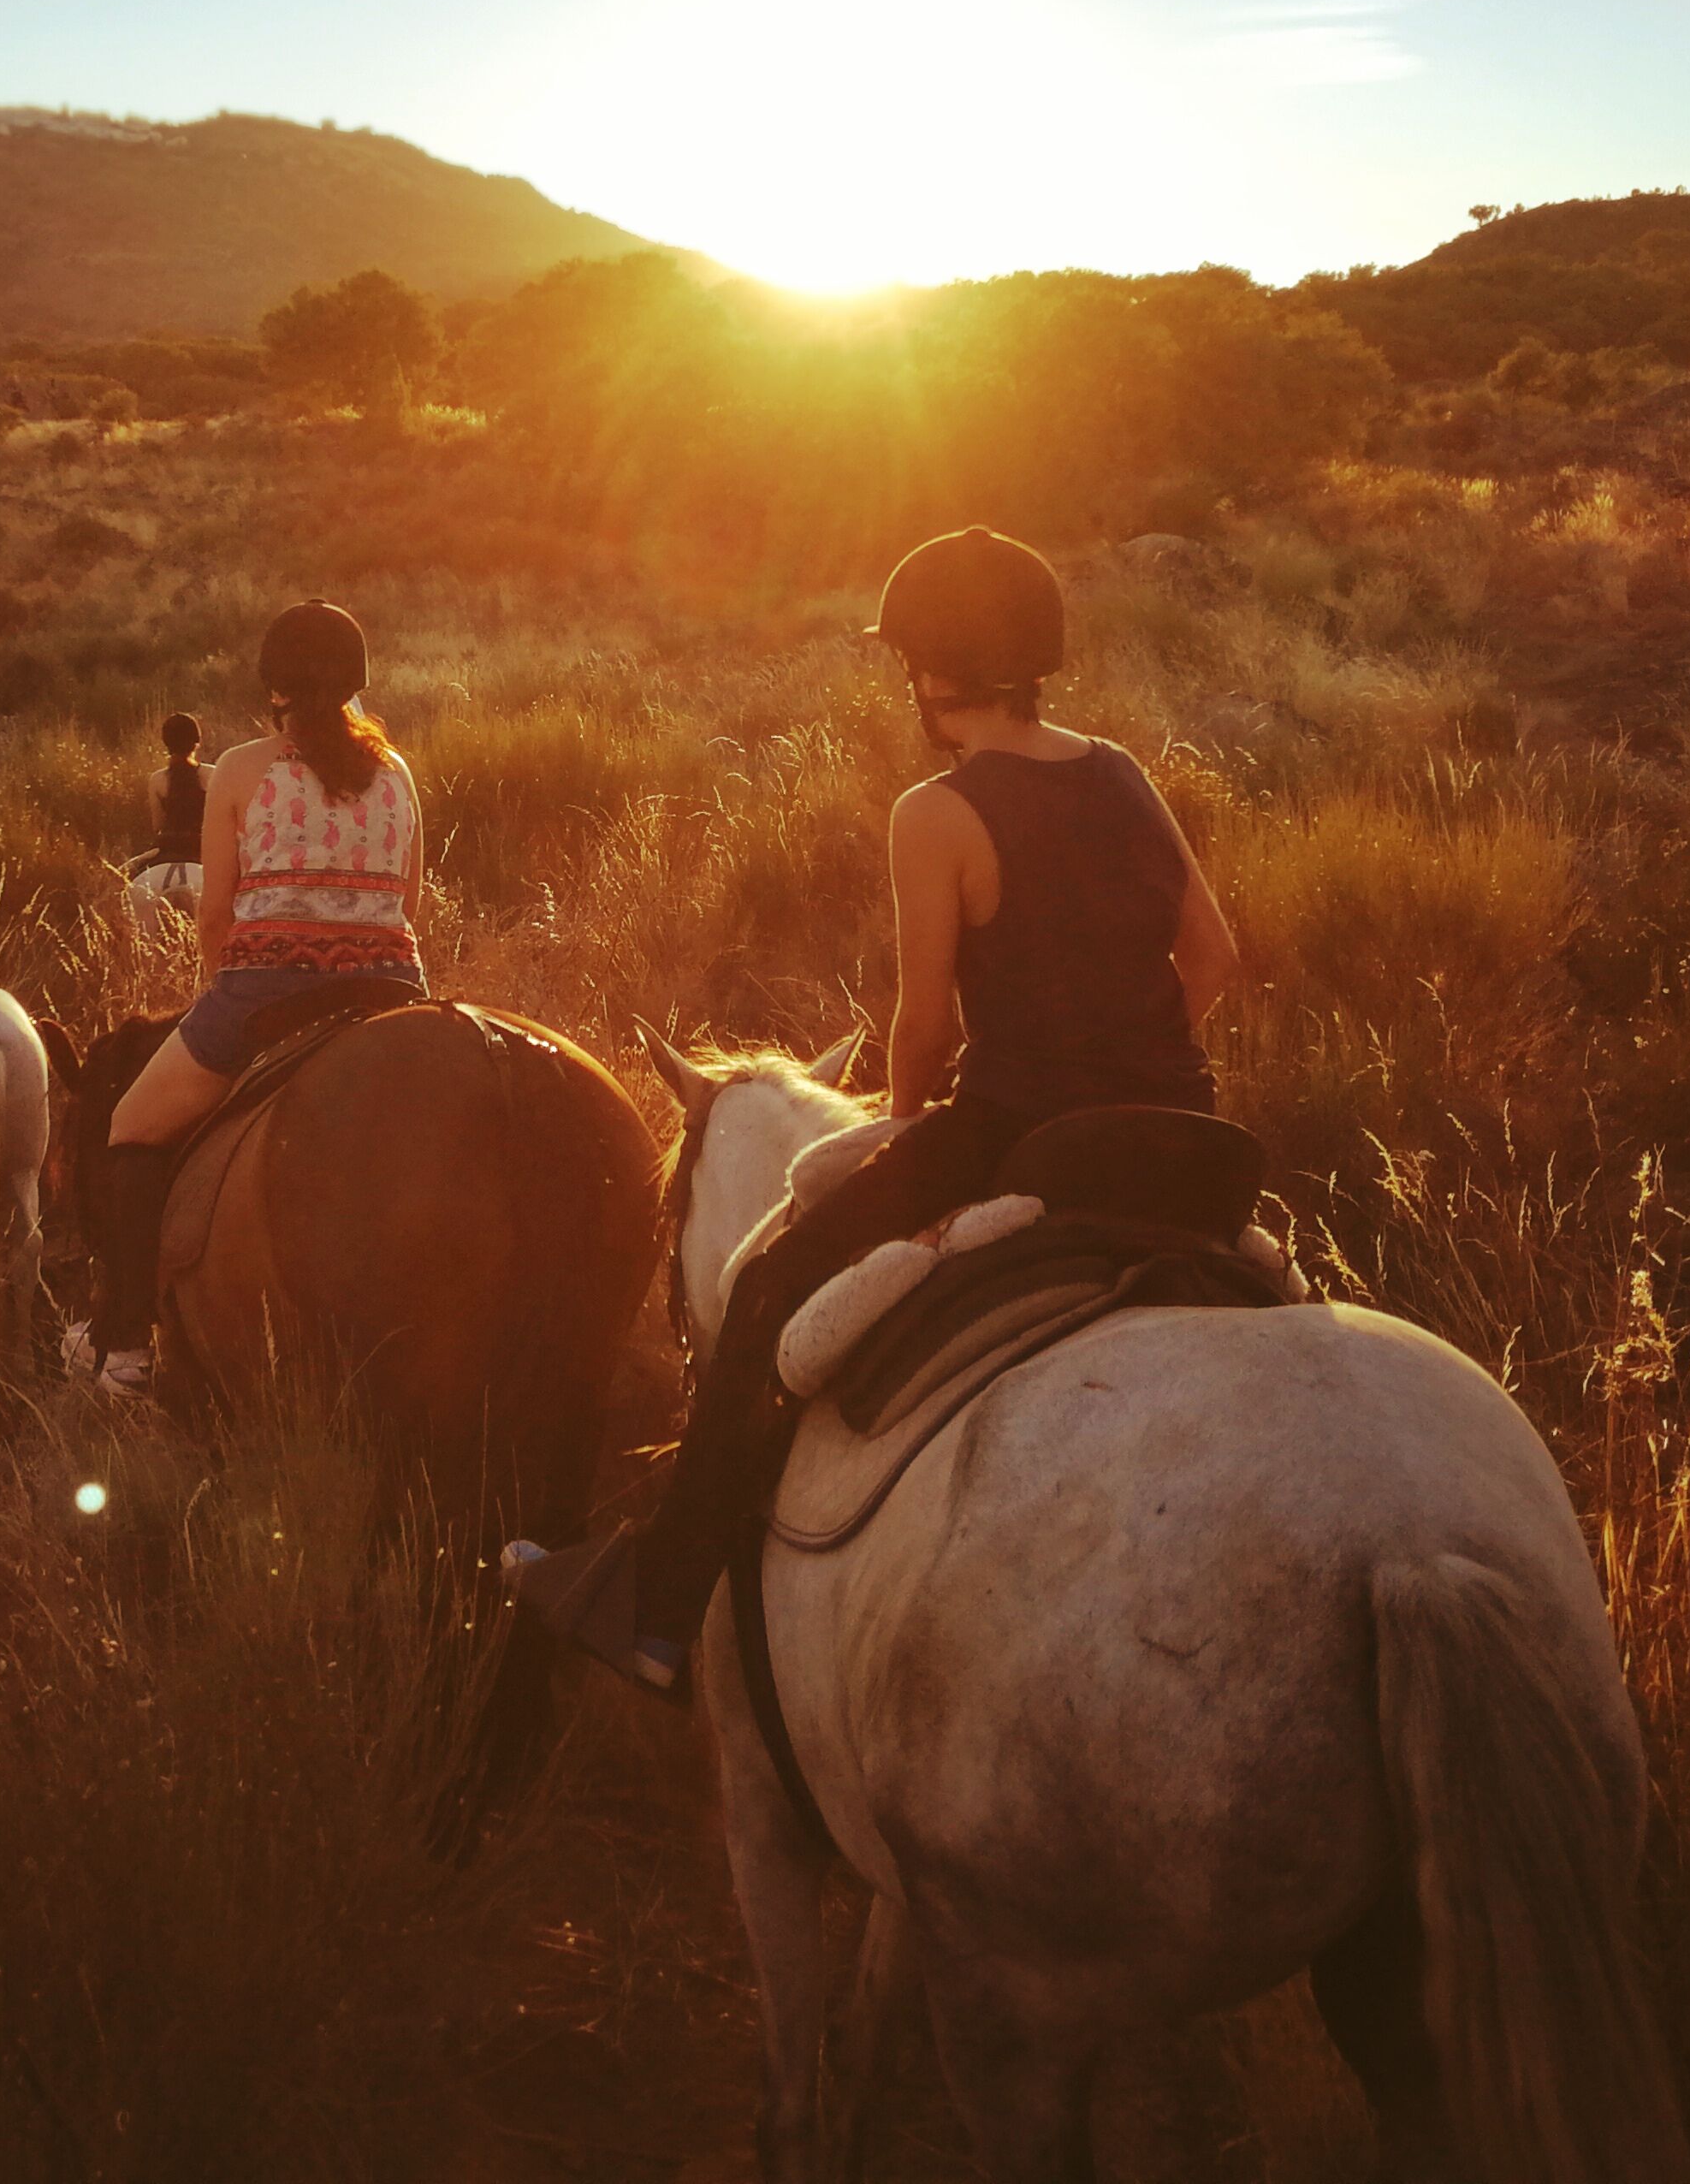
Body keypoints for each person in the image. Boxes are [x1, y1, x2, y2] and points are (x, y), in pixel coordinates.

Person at [507, 526, 1239, 1693]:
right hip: (1188, 1143)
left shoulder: (937, 810)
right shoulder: (1122, 773)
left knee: (766, 1286)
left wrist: (907, 1122)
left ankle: (654, 1611)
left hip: (1020, 1135)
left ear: (929, 670)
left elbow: (926, 1028)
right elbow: (1210, 957)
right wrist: (1131, 1066)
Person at [83, 602, 425, 1399]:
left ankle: (128, 1348)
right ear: (356, 682)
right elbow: (413, 902)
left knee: (128, 1129)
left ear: (273, 685)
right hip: (392, 988)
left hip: (268, 989)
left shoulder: (242, 769)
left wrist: (221, 988)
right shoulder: (400, 772)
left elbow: (213, 913)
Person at [122, 712, 210, 887]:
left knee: (121, 877)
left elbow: (158, 826)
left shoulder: (156, 780)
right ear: (197, 741)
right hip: (204, 849)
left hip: (167, 849)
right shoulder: (213, 774)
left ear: (166, 742)